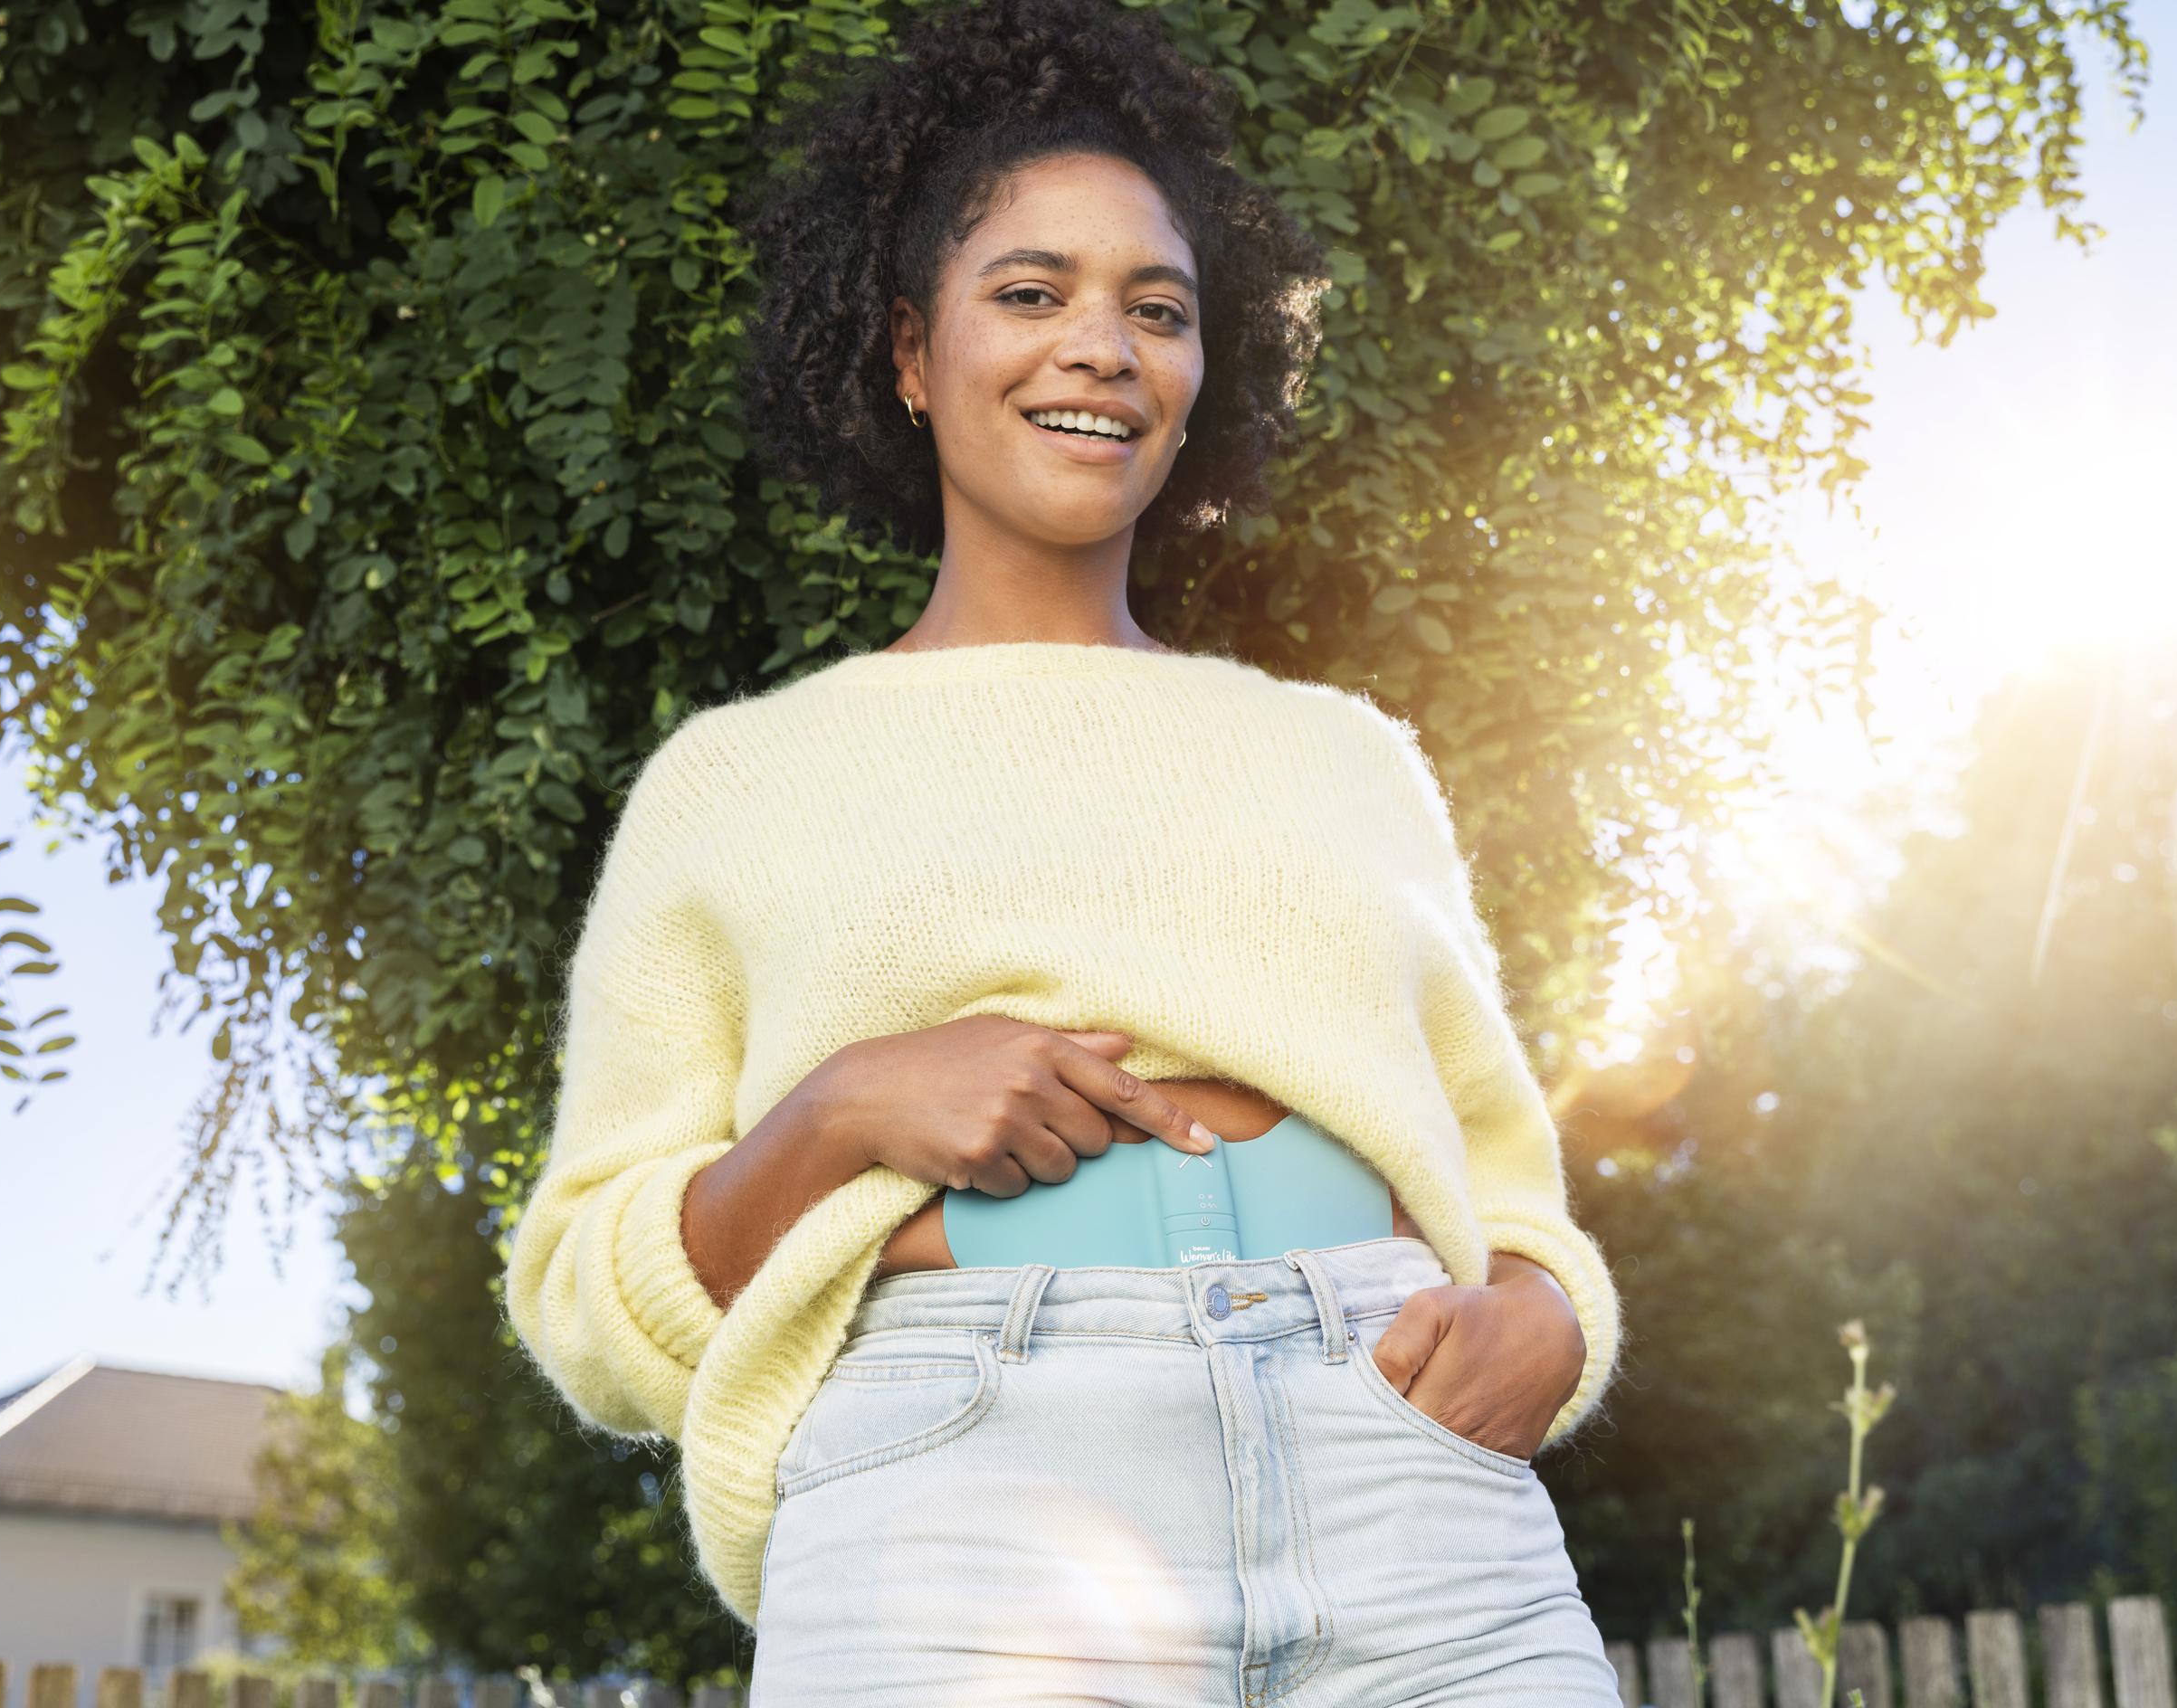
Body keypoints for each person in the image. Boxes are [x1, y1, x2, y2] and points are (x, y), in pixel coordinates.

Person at [504, 0, 1627, 1700]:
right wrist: (841, 1110)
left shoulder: (1351, 758)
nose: (1099, 345)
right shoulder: (733, 781)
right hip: (965, 1493)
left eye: (1154, 310)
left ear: (1196, 374)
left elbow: (1507, 1184)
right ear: (906, 350)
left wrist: (1545, 1318)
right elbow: (589, 1292)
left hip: (1405, 1467)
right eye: (1029, 293)